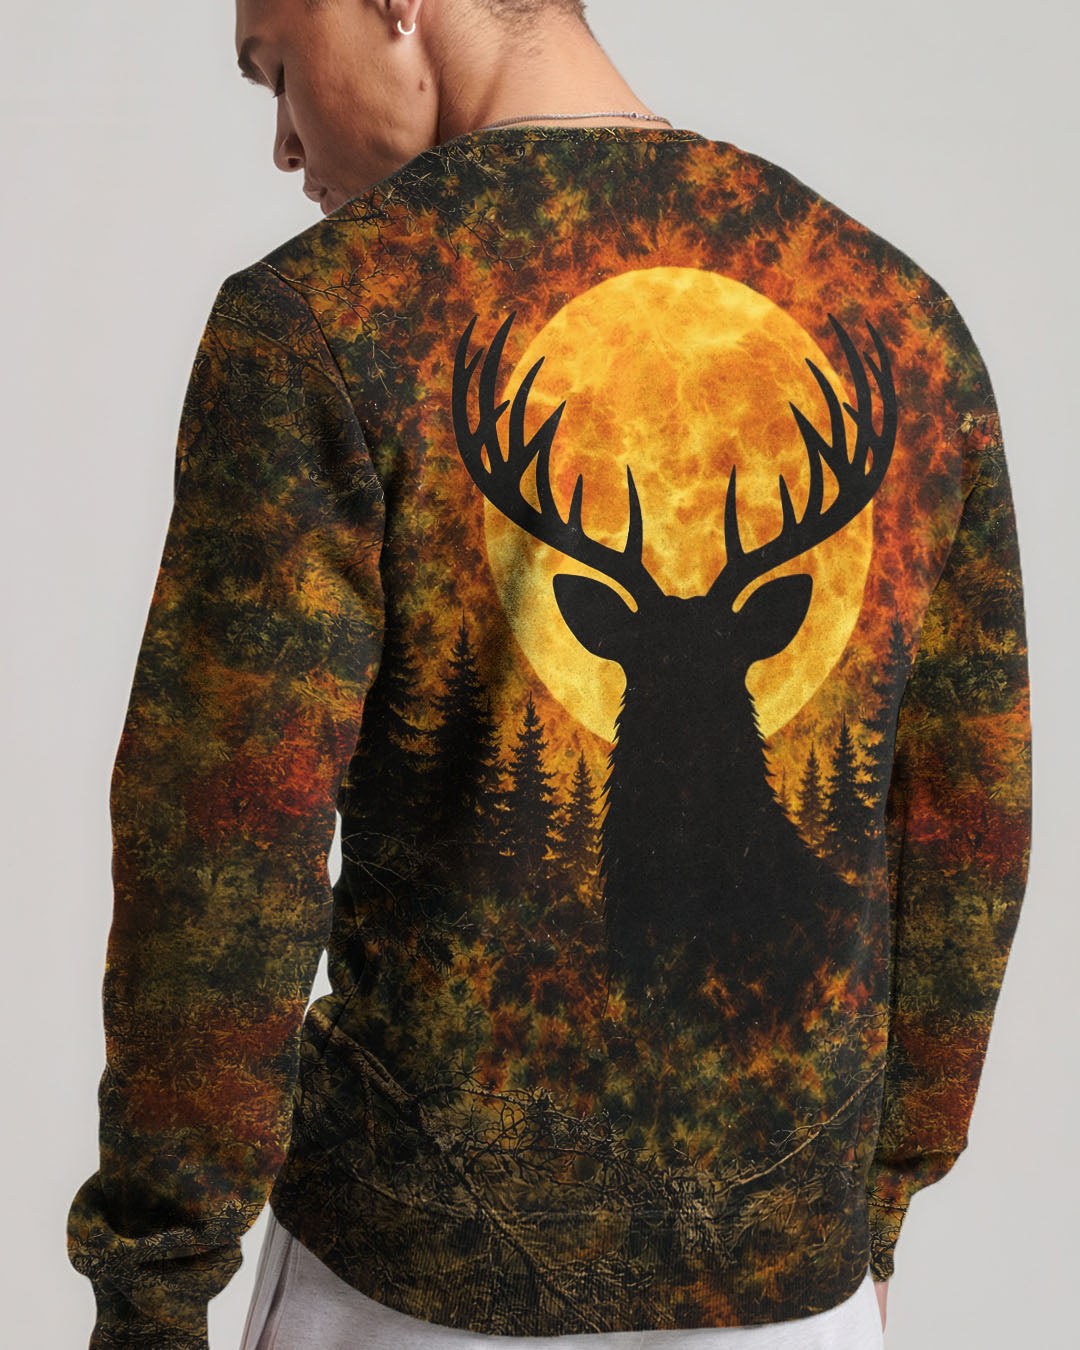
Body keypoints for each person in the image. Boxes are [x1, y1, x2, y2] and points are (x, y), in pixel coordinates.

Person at [64, 1, 1032, 1347]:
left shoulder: (320, 321)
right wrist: (869, 1203)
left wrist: (154, 1290)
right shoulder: (904, 325)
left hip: (409, 1283)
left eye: (278, 67)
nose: (284, 141)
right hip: (793, 1288)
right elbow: (968, 829)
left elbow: (223, 849)